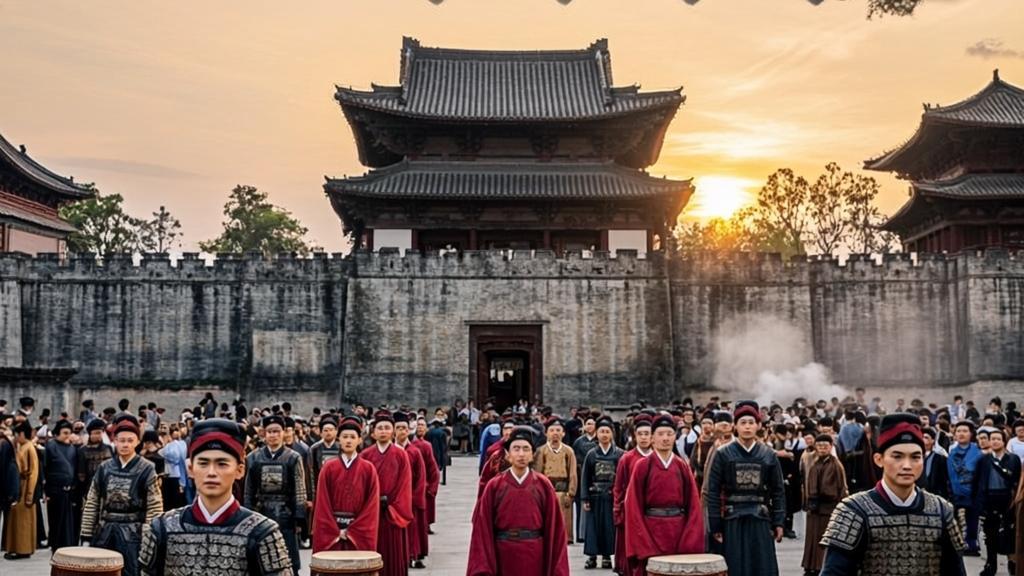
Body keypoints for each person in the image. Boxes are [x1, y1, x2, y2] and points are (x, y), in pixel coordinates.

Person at [139, 418, 294, 576]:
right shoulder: (162, 529)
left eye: (222, 464)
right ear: (191, 469)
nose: (211, 472)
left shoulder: (262, 533)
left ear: (240, 470)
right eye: (203, 463)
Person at [820, 413, 966, 575]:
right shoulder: (853, 511)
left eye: (915, 457)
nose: (907, 465)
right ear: (879, 459)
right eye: (897, 456)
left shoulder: (941, 510)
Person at [467, 425, 570, 576]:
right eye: (516, 449)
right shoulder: (494, 486)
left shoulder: (543, 485)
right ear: (507, 454)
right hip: (503, 554)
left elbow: (556, 530)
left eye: (526, 449)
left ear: (532, 455)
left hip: (535, 554)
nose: (521, 454)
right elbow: (482, 530)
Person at [705, 401, 786, 576]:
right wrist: (715, 525)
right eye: (743, 423)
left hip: (760, 517)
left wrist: (779, 521)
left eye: (751, 423)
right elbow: (713, 491)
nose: (747, 427)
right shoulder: (723, 454)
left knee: (762, 566)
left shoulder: (768, 455)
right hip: (732, 518)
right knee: (735, 566)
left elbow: (778, 490)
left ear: (758, 425)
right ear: (735, 426)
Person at [81, 414, 164, 576]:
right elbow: (92, 502)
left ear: (137, 442)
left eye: (130, 440)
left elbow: (154, 506)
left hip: (133, 532)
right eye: (122, 440)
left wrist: (149, 537)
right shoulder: (105, 468)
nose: (125, 444)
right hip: (105, 530)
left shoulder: (147, 468)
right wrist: (86, 535)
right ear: (115, 441)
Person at [624, 414, 704, 576]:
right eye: (660, 434)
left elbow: (693, 504)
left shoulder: (682, 466)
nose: (665, 438)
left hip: (678, 530)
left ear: (675, 437)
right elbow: (633, 505)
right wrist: (642, 540)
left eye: (669, 434)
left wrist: (689, 538)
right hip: (651, 530)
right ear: (653, 437)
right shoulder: (642, 466)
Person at [245, 414, 307, 573]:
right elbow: (249, 489)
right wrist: (247, 510)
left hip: (285, 512)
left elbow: (300, 488)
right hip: (261, 511)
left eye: (277, 431)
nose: (273, 435)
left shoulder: (293, 457)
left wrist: (299, 515)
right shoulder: (253, 457)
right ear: (264, 433)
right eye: (270, 432)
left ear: (284, 433)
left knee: (288, 558)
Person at [313, 416, 380, 553]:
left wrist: (353, 530)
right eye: (345, 437)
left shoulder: (368, 468)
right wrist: (334, 530)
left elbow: (372, 504)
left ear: (359, 440)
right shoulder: (329, 467)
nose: (348, 440)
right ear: (339, 439)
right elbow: (322, 502)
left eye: (352, 437)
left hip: (359, 529)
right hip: (332, 528)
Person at [362, 410, 413, 576]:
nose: (383, 431)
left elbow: (404, 484)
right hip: (371, 513)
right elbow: (361, 484)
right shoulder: (366, 455)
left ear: (393, 431)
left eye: (387, 427)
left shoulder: (400, 455)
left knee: (392, 554)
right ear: (373, 432)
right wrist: (371, 503)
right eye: (380, 428)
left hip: (392, 513)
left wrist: (391, 505)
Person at [580, 417, 623, 570]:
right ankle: (591, 557)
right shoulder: (591, 454)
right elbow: (585, 477)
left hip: (611, 496)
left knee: (608, 527)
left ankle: (606, 556)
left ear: (612, 434)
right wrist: (585, 497)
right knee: (592, 527)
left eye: (607, 432)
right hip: (595, 496)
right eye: (601, 431)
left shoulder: (619, 454)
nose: (604, 435)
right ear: (596, 434)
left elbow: (622, 477)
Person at [976, 427, 1020, 576]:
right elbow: (979, 481)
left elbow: (1016, 480)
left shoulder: (1013, 459)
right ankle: (991, 564)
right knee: (990, 535)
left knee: (1009, 534)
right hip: (990, 498)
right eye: (992, 439)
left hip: (1007, 499)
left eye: (998, 439)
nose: (994, 441)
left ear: (1004, 441)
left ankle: (1012, 563)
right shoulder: (984, 459)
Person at [801, 434, 847, 576]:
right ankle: (811, 566)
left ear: (831, 447)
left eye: (825, 446)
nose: (822, 448)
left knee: (823, 540)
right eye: (819, 446)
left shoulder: (836, 464)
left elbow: (842, 488)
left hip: (829, 508)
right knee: (812, 539)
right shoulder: (814, 462)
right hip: (814, 508)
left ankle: (822, 566)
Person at [613, 413, 653, 575]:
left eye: (647, 434)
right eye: (640, 434)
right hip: (630, 512)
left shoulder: (657, 457)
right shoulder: (627, 459)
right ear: (634, 436)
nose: (643, 438)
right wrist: (619, 512)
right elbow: (618, 489)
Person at [534, 417, 578, 545]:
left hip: (563, 489)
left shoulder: (568, 451)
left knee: (565, 519)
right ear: (546, 433)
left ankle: (566, 538)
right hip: (547, 489)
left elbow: (573, 473)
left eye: (558, 430)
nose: (555, 433)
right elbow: (537, 472)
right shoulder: (541, 451)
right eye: (552, 430)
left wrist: (571, 492)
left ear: (563, 433)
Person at [395, 411, 428, 569]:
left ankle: (413, 555)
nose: (402, 431)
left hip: (410, 499)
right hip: (392, 500)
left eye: (404, 428)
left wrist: (415, 498)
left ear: (409, 430)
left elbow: (421, 478)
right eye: (399, 428)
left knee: (413, 530)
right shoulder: (391, 452)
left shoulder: (414, 452)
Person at [947, 420, 983, 556]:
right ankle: (958, 543)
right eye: (958, 431)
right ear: (954, 434)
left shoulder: (978, 454)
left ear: (971, 434)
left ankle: (972, 544)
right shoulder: (951, 454)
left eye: (965, 431)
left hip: (973, 493)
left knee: (973, 520)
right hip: (955, 494)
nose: (961, 434)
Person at [44, 419, 80, 550]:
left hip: (69, 490)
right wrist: (46, 491)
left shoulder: (72, 449)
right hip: (54, 490)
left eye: (69, 433)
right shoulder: (51, 446)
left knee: (67, 520)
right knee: (55, 520)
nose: (67, 435)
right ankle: (55, 544)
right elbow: (45, 468)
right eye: (64, 433)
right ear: (57, 433)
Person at [3, 422, 37, 560]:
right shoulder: (22, 447)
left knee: (23, 521)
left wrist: (29, 494)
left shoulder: (29, 448)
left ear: (22, 434)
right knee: (16, 520)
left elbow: (33, 473)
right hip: (19, 484)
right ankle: (16, 547)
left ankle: (23, 549)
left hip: (25, 486)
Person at [412, 416, 441, 535]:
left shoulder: (426, 445)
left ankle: (426, 525)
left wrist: (433, 484)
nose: (420, 428)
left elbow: (432, 466)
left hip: (426, 481)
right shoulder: (413, 445)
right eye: (418, 425)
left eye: (422, 425)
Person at [572, 413, 598, 544]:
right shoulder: (578, 442)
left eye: (592, 424)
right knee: (580, 503)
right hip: (581, 473)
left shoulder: (599, 440)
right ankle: (580, 534)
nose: (589, 426)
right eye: (587, 424)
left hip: (597, 475)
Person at [918, 427, 951, 500]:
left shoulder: (940, 458)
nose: (923, 439)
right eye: (922, 437)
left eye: (926, 437)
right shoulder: (917, 457)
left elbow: (944, 479)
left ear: (933, 440)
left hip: (936, 494)